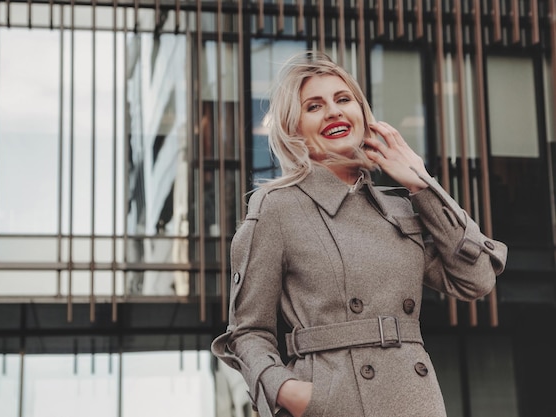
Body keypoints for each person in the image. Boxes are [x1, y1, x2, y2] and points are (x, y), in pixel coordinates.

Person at [211, 51, 507, 417]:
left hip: (415, 400)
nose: (333, 111)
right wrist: (288, 391)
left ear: (363, 115)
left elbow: (475, 280)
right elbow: (247, 331)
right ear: (294, 128)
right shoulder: (277, 206)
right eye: (314, 106)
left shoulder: (399, 206)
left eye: (343, 99)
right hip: (333, 401)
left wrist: (423, 184)